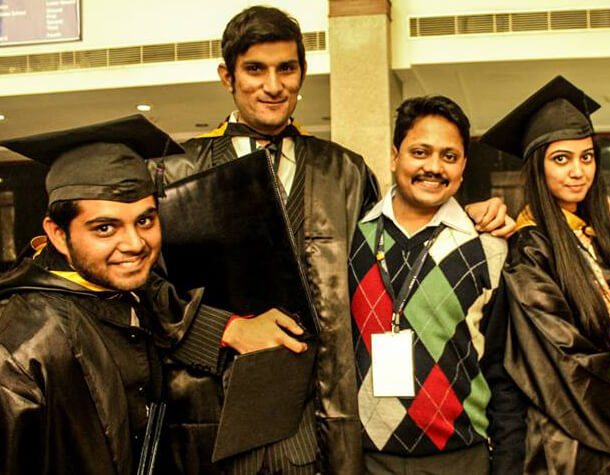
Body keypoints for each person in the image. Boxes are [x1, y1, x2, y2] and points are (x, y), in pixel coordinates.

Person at [155, 6, 515, 473]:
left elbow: (395, 236)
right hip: (216, 421)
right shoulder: (178, 172)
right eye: (255, 69)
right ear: (228, 77)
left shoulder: (343, 171)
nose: (273, 85)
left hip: (321, 429)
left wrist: (467, 216)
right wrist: (227, 329)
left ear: (302, 73)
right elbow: (146, 290)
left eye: (286, 69)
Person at [479, 76, 610, 473]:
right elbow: (564, 358)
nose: (578, 171)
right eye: (561, 159)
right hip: (568, 447)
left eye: (587, 157)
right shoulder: (530, 251)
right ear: (538, 167)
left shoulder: (603, 241)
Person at [0, 115, 204, 473]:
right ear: (58, 234)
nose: (135, 244)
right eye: (105, 228)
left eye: (145, 220)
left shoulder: (126, 296)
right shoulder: (21, 346)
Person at [348, 96, 521, 473]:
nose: (433, 167)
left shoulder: (489, 247)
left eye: (449, 156)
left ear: (463, 167)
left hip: (462, 458)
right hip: (366, 459)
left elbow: (503, 371)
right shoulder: (350, 241)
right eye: (420, 152)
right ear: (394, 157)